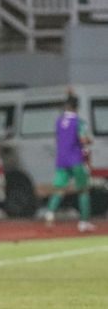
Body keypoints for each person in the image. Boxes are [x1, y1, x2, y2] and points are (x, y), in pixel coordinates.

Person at [44, 94, 95, 232]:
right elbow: (83, 139)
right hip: (76, 159)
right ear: (77, 107)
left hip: (61, 160)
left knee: (59, 189)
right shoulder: (79, 122)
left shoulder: (59, 121)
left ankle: (50, 213)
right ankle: (84, 222)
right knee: (83, 190)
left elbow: (58, 139)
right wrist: (90, 141)